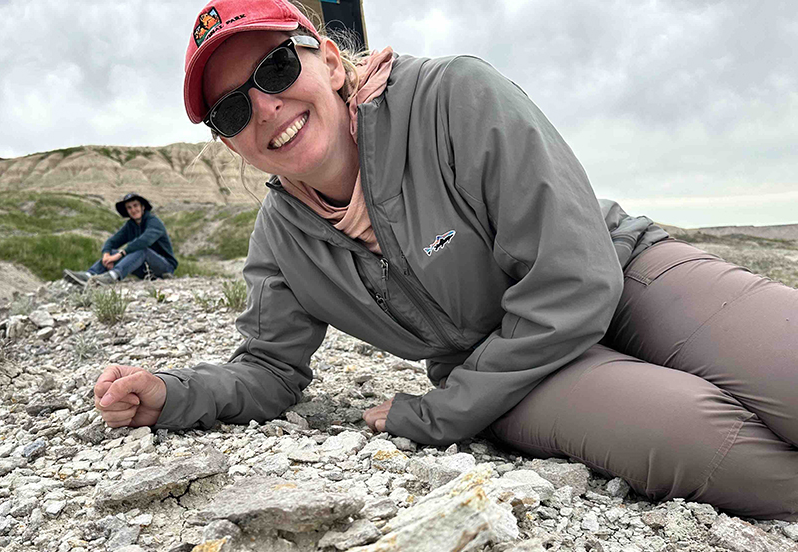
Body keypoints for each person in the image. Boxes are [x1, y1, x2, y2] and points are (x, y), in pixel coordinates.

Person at [93, 0, 798, 520]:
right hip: (512, 375)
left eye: (277, 67)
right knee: (715, 449)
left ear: (329, 61)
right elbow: (270, 369)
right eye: (230, 111)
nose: (265, 107)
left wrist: (439, 414)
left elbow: (576, 276)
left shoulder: (454, 95)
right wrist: (172, 392)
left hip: (628, 276)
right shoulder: (281, 239)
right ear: (227, 142)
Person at [64, 193, 177, 286]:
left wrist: (120, 255)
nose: (133, 210)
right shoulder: (130, 225)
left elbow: (144, 241)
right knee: (113, 252)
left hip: (164, 267)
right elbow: (112, 241)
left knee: (142, 249)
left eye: (135, 205)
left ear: (142, 207)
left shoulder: (154, 222)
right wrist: (106, 255)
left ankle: (112, 276)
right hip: (143, 269)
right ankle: (89, 275)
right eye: (129, 207)